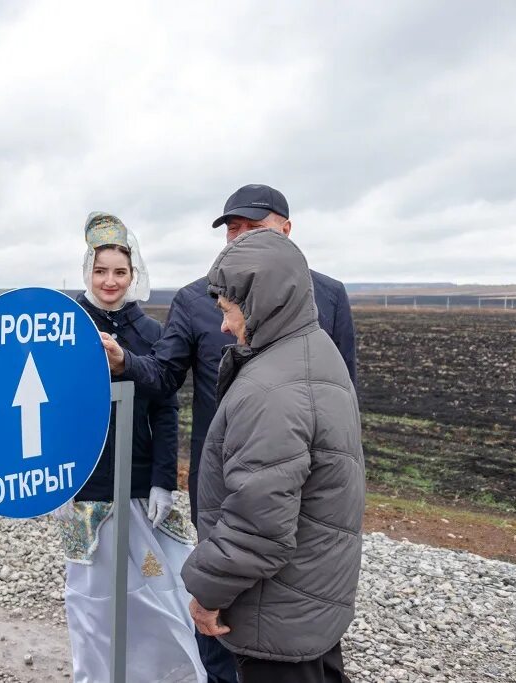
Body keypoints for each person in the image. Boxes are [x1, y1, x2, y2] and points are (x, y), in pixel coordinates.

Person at [102, 184, 356, 683]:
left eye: (251, 229)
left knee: (290, 605)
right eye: (232, 231)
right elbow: (165, 375)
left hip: (291, 490)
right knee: (228, 623)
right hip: (225, 484)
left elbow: (343, 394)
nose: (238, 241)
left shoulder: (327, 296)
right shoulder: (195, 297)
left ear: (285, 229)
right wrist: (126, 362)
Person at [182, 228, 364, 683]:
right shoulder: (313, 350)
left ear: (263, 302)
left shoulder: (270, 390)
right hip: (310, 596)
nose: (223, 325)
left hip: (276, 610)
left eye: (228, 309)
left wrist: (206, 592)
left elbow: (257, 525)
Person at [53, 213, 206, 683]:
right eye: (101, 271)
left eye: (120, 271)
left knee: (161, 592)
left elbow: (164, 409)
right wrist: (57, 480)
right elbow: (52, 410)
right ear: (87, 272)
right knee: (93, 599)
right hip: (87, 485)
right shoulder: (65, 328)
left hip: (140, 484)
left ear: (133, 274)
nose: (110, 281)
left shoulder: (153, 335)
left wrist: (163, 481)